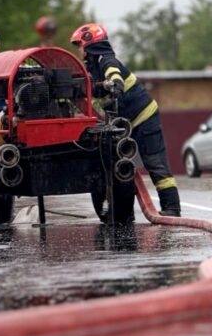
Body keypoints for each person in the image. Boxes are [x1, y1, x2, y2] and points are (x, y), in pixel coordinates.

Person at [70, 23, 181, 217]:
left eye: (80, 44)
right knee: (121, 166)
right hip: (125, 124)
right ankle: (124, 212)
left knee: (155, 162)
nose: (79, 49)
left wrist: (116, 85)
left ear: (89, 42)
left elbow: (113, 73)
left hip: (144, 117)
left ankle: (172, 208)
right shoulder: (91, 68)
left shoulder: (106, 59)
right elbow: (90, 90)